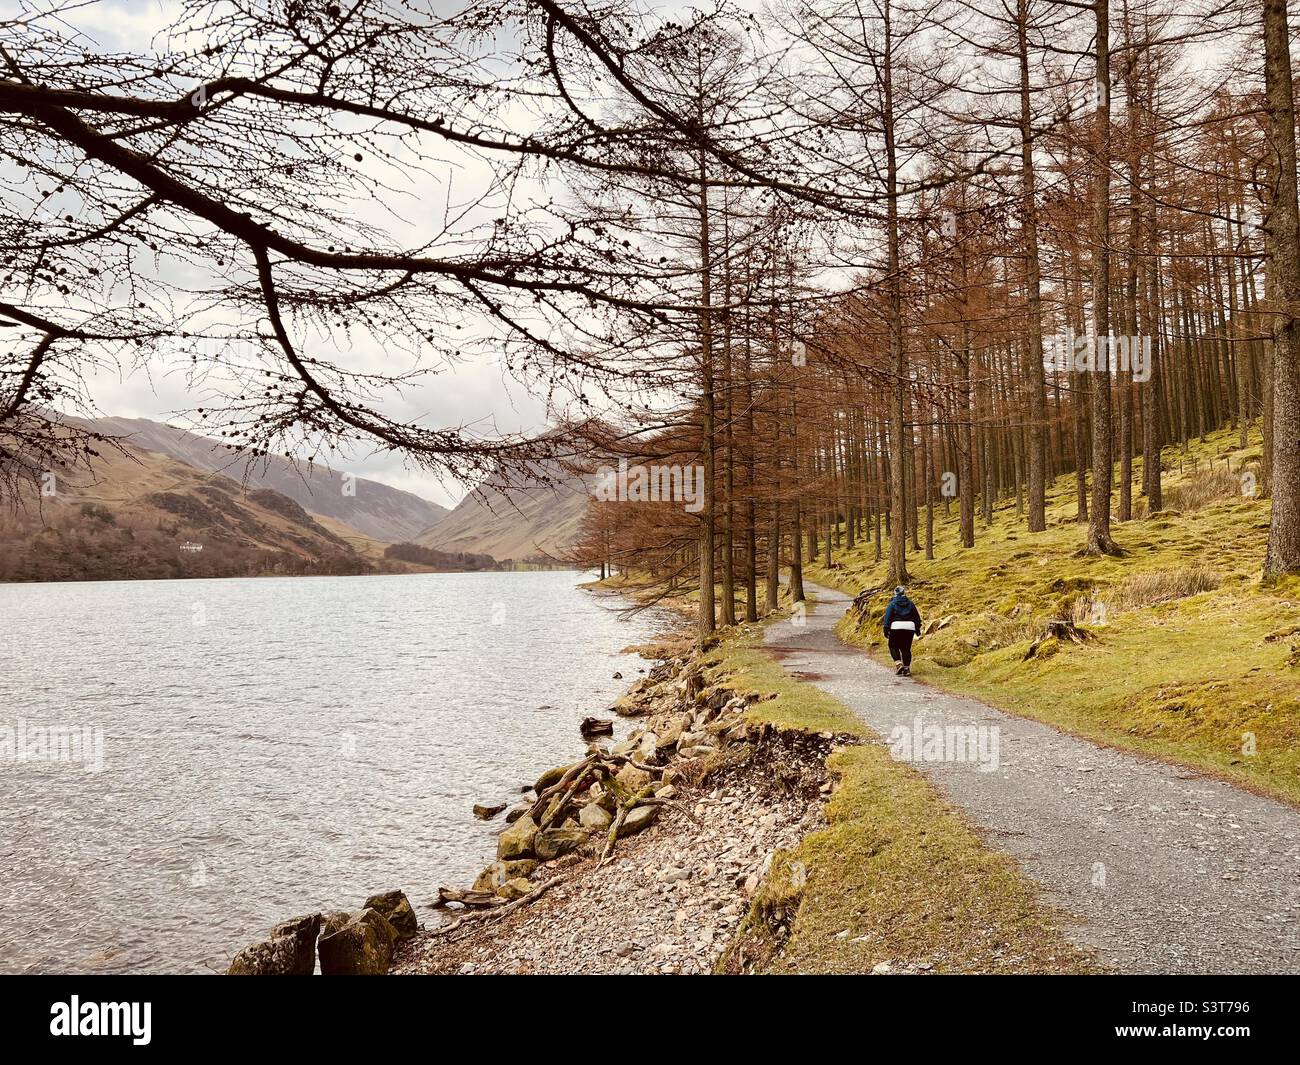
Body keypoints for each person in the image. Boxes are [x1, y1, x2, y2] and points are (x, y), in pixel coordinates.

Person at [881, 585, 922, 676]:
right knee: (906, 648)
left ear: (895, 594)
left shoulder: (892, 604)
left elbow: (887, 617)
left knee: (893, 646)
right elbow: (917, 617)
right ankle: (906, 669)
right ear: (904, 593)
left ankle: (899, 664)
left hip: (896, 626)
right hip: (909, 627)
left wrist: (886, 629)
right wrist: (917, 629)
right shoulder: (910, 603)